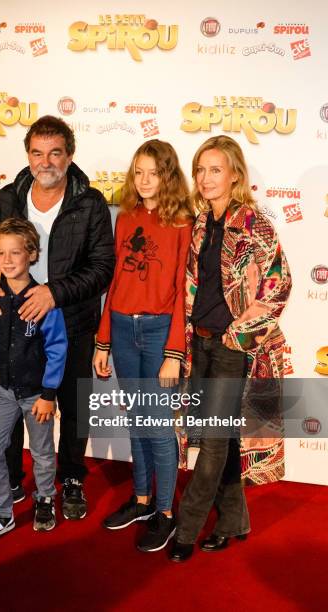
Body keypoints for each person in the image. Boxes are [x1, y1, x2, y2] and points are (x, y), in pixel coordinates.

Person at [0, 115, 115, 521]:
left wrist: (53, 293)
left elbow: (102, 268)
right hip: (14, 319)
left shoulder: (90, 202)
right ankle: (13, 481)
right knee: (13, 401)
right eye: (37, 153)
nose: (45, 161)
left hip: (70, 320)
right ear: (28, 155)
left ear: (69, 155)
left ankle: (70, 479)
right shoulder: (8, 197)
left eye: (55, 153)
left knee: (71, 405)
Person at [170, 135, 292, 562]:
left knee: (214, 442)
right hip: (199, 343)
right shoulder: (201, 222)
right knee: (223, 438)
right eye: (200, 170)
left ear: (235, 174)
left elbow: (279, 283)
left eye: (215, 170)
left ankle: (185, 530)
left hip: (231, 348)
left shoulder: (254, 224)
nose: (205, 178)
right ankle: (233, 521)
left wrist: (241, 332)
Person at [94, 139, 193, 553]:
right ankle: (141, 499)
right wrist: (102, 340)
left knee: (157, 426)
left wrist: (174, 353)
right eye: (139, 172)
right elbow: (116, 281)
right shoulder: (126, 217)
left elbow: (180, 291)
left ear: (168, 175)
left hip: (157, 331)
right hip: (120, 327)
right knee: (136, 420)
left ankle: (167, 512)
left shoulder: (184, 222)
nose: (145, 180)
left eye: (154, 172)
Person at [0, 219, 67, 547]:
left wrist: (49, 394)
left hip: (37, 394)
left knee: (41, 452)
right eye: (1, 253)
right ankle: (1, 513)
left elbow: (57, 349)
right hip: (3, 392)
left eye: (15, 253)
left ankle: (44, 499)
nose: (7, 260)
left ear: (32, 255)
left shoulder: (42, 301)